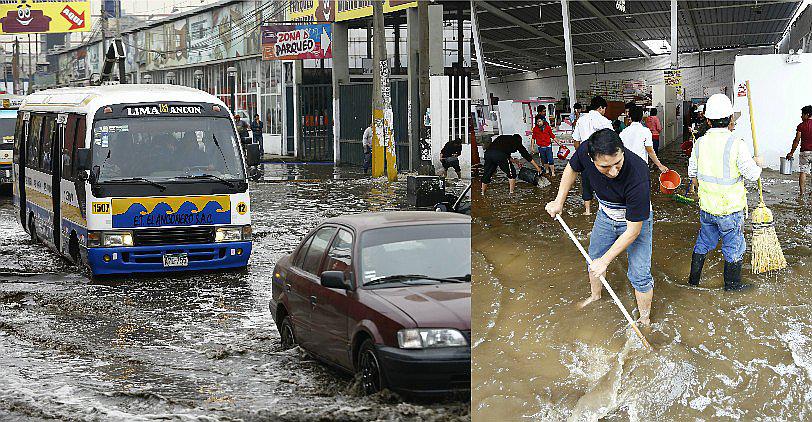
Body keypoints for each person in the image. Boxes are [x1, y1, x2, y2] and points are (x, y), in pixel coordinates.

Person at [545, 129, 655, 325]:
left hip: (635, 222)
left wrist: (605, 261)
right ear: (591, 158)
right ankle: (595, 296)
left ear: (622, 151)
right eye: (605, 167)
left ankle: (644, 319)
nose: (613, 172)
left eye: (617, 164)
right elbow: (571, 168)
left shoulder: (638, 173)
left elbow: (633, 231)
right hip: (606, 215)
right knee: (592, 260)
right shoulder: (586, 150)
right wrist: (559, 201)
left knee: (640, 274)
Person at [688, 94, 764, 292]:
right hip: (730, 210)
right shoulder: (737, 143)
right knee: (734, 247)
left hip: (707, 208)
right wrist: (758, 164)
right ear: (731, 119)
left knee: (703, 242)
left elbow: (692, 174)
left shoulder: (699, 144)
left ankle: (692, 283)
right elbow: (752, 174)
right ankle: (732, 286)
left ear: (708, 120)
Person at [572, 96, 613, 215]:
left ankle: (587, 210)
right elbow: (611, 139)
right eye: (604, 109)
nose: (604, 111)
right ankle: (603, 209)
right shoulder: (604, 121)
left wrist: (580, 155)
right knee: (603, 183)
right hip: (601, 157)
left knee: (586, 182)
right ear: (600, 108)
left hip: (585, 155)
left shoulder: (581, 120)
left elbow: (576, 140)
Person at [620, 105, 669, 173]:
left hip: (627, 166)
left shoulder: (623, 132)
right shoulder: (645, 131)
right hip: (641, 166)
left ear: (629, 117)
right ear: (641, 117)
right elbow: (650, 151)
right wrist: (660, 165)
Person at [786, 105, 812, 196]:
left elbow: (796, 140)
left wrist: (791, 153)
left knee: (803, 172)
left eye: (802, 114)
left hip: (805, 152)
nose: (801, 116)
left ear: (807, 114)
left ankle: (802, 193)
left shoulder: (801, 126)